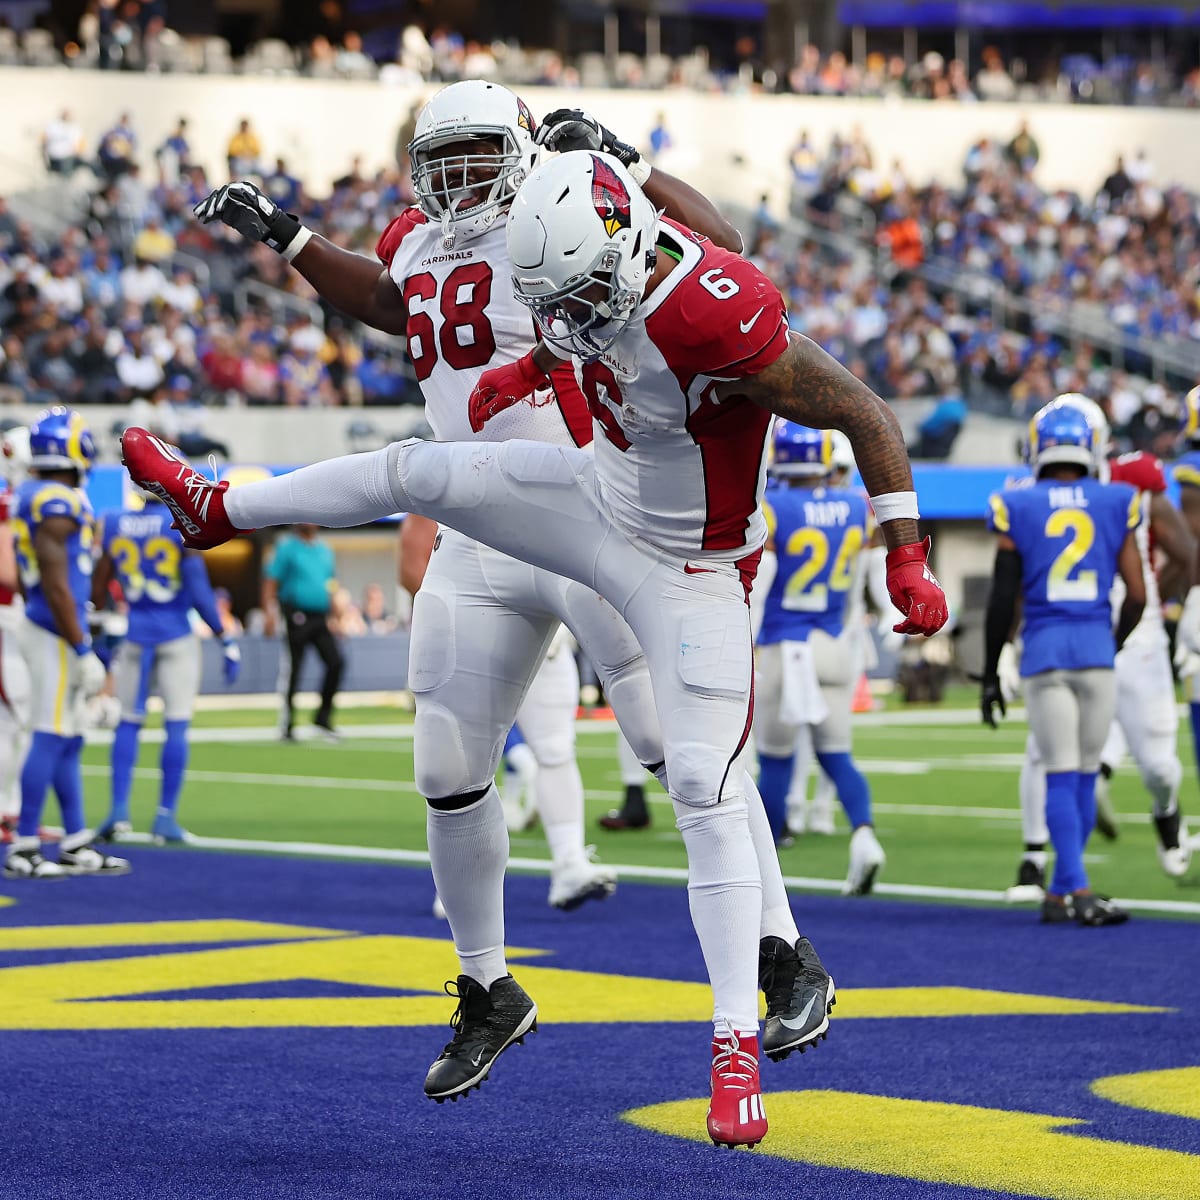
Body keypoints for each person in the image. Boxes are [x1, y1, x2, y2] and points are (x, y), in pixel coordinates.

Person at [123, 147, 947, 1149]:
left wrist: (907, 554)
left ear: (634, 245)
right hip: (592, 498)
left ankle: (739, 1040)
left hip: (691, 564)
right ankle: (220, 505)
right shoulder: (558, 268)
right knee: (417, 473)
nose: (572, 316)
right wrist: (527, 364)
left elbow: (864, 410)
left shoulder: (710, 301)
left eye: (585, 296)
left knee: (696, 776)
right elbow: (556, 329)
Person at [1008, 395, 1195, 897]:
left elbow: (1184, 552)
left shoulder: (1133, 482)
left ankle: (1165, 809)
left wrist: (1155, 590)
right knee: (1046, 753)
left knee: (1156, 763)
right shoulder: (1041, 492)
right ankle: (1038, 860)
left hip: (1136, 637)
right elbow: (1024, 575)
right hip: (1071, 633)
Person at [398, 509, 615, 909]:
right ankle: (458, 887)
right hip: (479, 636)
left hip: (547, 632)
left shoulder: (555, 461)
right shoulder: (451, 466)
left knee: (555, 752)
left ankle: (569, 862)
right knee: (463, 765)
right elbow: (413, 563)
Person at [981, 395, 1144, 926]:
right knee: (1080, 777)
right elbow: (1138, 593)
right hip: (1095, 648)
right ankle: (1078, 889)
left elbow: (1002, 599)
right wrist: (1110, 641)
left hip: (1046, 650)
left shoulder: (1017, 503)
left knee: (1060, 773)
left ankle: (1061, 890)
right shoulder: (1118, 499)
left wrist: (989, 668)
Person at [752, 422, 886, 894]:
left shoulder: (772, 506)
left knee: (776, 761)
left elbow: (761, 586)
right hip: (834, 642)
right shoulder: (856, 506)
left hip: (785, 646)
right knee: (836, 755)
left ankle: (765, 875)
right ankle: (865, 835)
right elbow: (865, 585)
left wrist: (744, 642)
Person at [4, 407, 129, 880]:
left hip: (53, 623)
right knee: (51, 731)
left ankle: (75, 840)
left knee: (69, 737)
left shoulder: (37, 494)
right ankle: (25, 844)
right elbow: (57, 584)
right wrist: (80, 645)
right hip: (53, 627)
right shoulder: (56, 500)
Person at [91, 490, 241, 844]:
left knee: (127, 723)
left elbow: (98, 584)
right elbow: (199, 590)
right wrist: (225, 637)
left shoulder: (113, 522)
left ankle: (118, 812)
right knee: (176, 724)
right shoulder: (178, 525)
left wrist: (95, 623)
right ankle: (164, 817)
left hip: (135, 634)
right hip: (175, 635)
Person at [261, 523, 343, 741]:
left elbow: (330, 582)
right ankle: (287, 723)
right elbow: (271, 580)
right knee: (294, 668)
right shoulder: (287, 547)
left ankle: (322, 718)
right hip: (295, 614)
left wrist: (336, 609)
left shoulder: (324, 550)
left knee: (336, 662)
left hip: (320, 616)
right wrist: (269, 612)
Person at [0, 426, 33, 843]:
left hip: (14, 615)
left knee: (12, 722)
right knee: (21, 718)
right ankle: (11, 810)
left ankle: (13, 810)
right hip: (10, 618)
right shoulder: (12, 503)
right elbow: (9, 571)